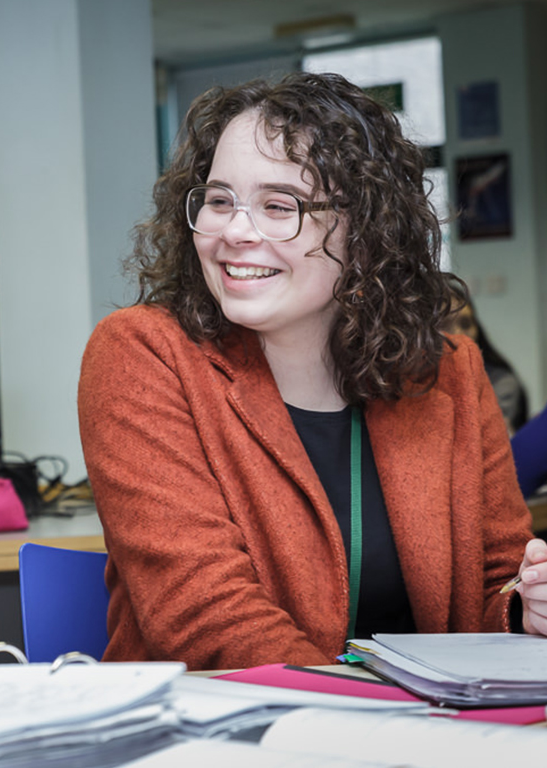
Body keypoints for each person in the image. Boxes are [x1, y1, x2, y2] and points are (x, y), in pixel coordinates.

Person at [78, 72, 547, 672]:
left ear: (367, 229)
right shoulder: (144, 353)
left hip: (425, 731)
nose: (235, 233)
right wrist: (368, 722)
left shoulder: (450, 373)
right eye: (220, 200)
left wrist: (525, 610)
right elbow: (206, 617)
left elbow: (496, 584)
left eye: (279, 206)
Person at [443, 298, 528, 434]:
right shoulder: (412, 385)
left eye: (466, 325)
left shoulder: (500, 382)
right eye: (444, 325)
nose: (458, 334)